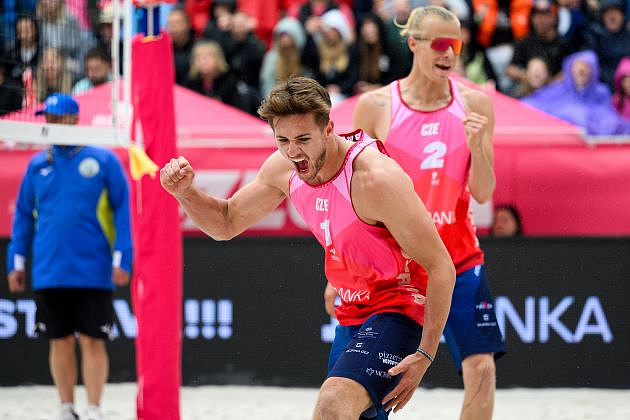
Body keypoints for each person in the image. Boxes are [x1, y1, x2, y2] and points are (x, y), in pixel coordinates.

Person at [160, 76, 456, 419]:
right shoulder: (283, 168)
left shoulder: (374, 178)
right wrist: (186, 193)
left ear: (328, 129)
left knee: (332, 404)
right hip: (352, 310)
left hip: (400, 306)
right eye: (283, 140)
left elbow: (441, 266)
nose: (293, 151)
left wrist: (426, 354)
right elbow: (225, 223)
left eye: (303, 139)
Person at [329, 6, 506, 420]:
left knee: (482, 368)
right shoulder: (376, 105)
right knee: (373, 385)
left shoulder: (476, 104)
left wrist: (478, 147)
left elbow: (483, 192)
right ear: (413, 44)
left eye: (456, 45)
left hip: (458, 257)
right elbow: (351, 195)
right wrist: (338, 268)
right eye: (440, 44)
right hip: (395, 267)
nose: (449, 53)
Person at [6, 93, 133, 420]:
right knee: (59, 341)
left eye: (56, 117)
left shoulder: (103, 160)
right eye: (47, 117)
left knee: (93, 341)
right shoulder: (37, 164)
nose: (50, 123)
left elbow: (123, 213)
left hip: (94, 268)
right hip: (49, 269)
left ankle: (94, 408)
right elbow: (23, 216)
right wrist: (16, 261)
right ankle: (66, 408)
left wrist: (123, 258)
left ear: (73, 120)